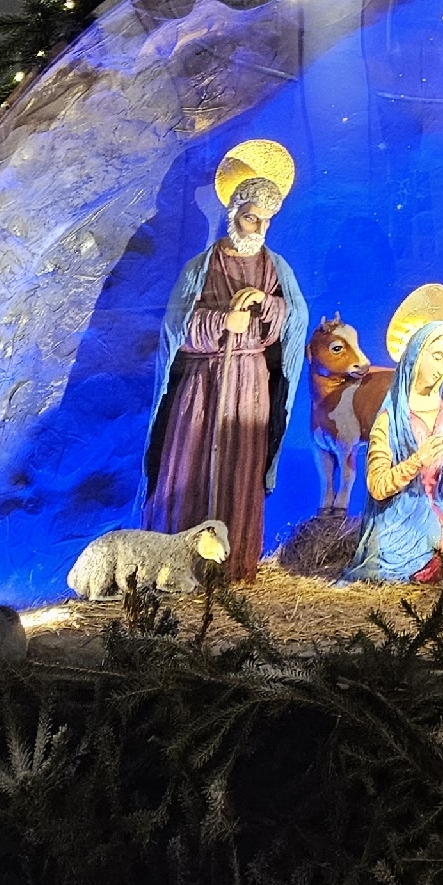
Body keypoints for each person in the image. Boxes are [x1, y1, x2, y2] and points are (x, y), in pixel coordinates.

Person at [144, 141, 309, 582]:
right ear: (233, 212)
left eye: (267, 220)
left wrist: (267, 306)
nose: (259, 228)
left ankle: (232, 567)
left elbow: (293, 322)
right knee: (189, 464)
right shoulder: (202, 267)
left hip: (250, 385)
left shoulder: (276, 268)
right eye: (251, 217)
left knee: (240, 470)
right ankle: (176, 567)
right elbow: (177, 328)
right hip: (203, 383)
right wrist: (222, 321)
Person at [344, 290, 443, 583]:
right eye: (437, 357)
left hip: (439, 513)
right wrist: (417, 460)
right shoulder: (390, 420)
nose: (442, 368)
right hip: (399, 523)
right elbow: (377, 487)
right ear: (416, 355)